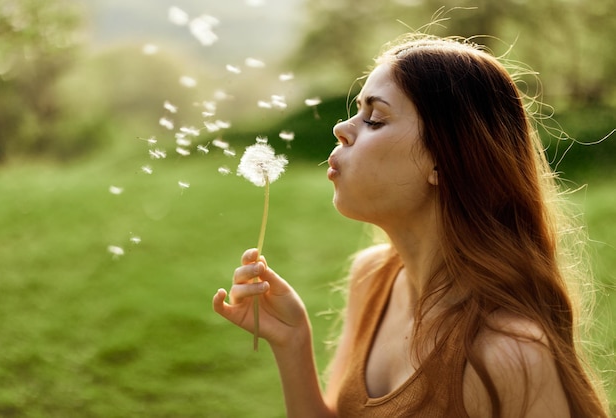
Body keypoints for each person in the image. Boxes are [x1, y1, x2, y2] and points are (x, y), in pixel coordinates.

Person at [212, 34, 609, 417]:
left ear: (444, 161)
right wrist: (292, 341)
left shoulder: (510, 356)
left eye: (375, 119)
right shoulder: (370, 278)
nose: (341, 129)